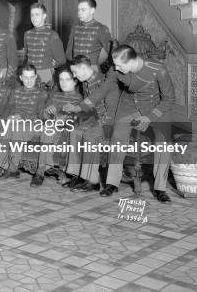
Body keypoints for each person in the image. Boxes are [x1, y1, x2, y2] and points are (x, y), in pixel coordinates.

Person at [77, 45, 175, 202]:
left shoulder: (158, 70)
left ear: (132, 61)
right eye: (114, 64)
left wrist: (150, 117)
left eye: (119, 65)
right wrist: (82, 105)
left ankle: (160, 188)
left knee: (164, 142)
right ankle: (112, 183)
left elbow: (169, 99)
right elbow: (103, 89)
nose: (115, 68)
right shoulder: (115, 69)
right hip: (129, 105)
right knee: (117, 136)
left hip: (156, 107)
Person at [64, 55, 120, 192]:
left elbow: (112, 109)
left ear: (83, 67)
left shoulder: (103, 82)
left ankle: (92, 181)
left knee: (90, 135)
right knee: (75, 131)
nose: (74, 76)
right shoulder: (85, 82)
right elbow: (89, 108)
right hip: (95, 120)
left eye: (75, 72)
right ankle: (78, 175)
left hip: (108, 121)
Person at [0, 64, 47, 182]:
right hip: (16, 124)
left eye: (32, 77)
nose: (29, 80)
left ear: (36, 77)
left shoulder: (41, 93)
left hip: (34, 125)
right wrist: (9, 118)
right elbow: (8, 108)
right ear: (21, 78)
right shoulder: (15, 91)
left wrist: (21, 117)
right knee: (12, 127)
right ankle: (11, 170)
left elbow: (40, 114)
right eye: (26, 77)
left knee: (15, 127)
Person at [36, 65, 82, 185]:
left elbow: (78, 119)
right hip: (53, 128)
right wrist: (48, 112)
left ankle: (46, 170)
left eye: (67, 79)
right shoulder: (55, 95)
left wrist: (64, 119)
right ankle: (40, 172)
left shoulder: (79, 99)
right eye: (61, 80)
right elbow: (43, 116)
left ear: (75, 81)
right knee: (48, 129)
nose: (64, 83)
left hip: (68, 130)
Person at [23, 3, 66, 86]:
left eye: (37, 15)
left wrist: (53, 64)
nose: (34, 18)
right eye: (32, 15)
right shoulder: (27, 34)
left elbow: (62, 60)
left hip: (45, 75)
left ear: (44, 16)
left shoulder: (52, 35)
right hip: (29, 74)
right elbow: (26, 56)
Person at [66, 0, 112, 70]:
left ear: (92, 10)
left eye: (83, 10)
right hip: (75, 68)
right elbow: (69, 51)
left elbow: (111, 52)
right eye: (78, 10)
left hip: (91, 69)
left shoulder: (101, 29)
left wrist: (101, 67)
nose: (79, 13)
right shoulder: (75, 27)